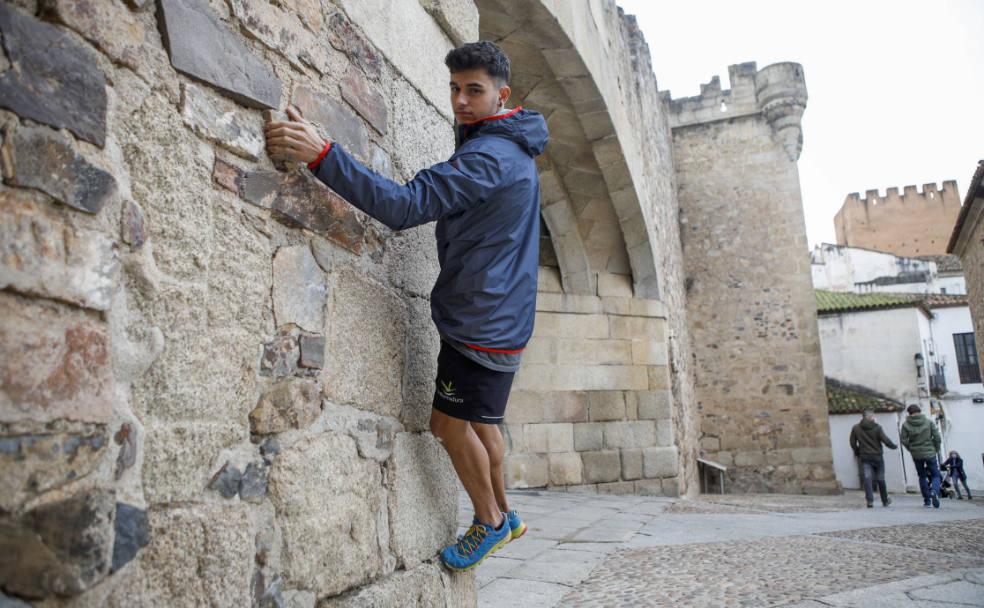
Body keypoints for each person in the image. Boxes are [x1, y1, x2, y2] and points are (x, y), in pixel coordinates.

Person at [264, 41, 546, 571]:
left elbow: (404, 206)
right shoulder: (513, 140)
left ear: (502, 94)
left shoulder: (489, 157)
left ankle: (486, 522)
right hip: (501, 313)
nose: (460, 101)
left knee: (448, 426)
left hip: (480, 322)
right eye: (455, 89)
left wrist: (322, 155)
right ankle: (506, 516)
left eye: (474, 91)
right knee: (484, 421)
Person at [849, 409, 898, 508]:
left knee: (867, 478)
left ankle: (870, 501)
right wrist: (894, 446)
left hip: (865, 456)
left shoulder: (856, 428)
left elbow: (852, 442)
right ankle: (885, 500)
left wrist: (858, 451)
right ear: (870, 417)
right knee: (880, 478)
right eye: (873, 416)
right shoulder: (877, 428)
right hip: (877, 456)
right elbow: (885, 440)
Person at [900, 404, 943, 508]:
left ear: (909, 413)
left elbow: (904, 440)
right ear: (920, 411)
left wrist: (911, 449)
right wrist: (935, 449)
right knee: (935, 475)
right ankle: (934, 491)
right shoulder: (928, 422)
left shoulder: (906, 425)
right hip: (930, 453)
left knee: (922, 476)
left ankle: (927, 501)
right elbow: (937, 437)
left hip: (916, 454)